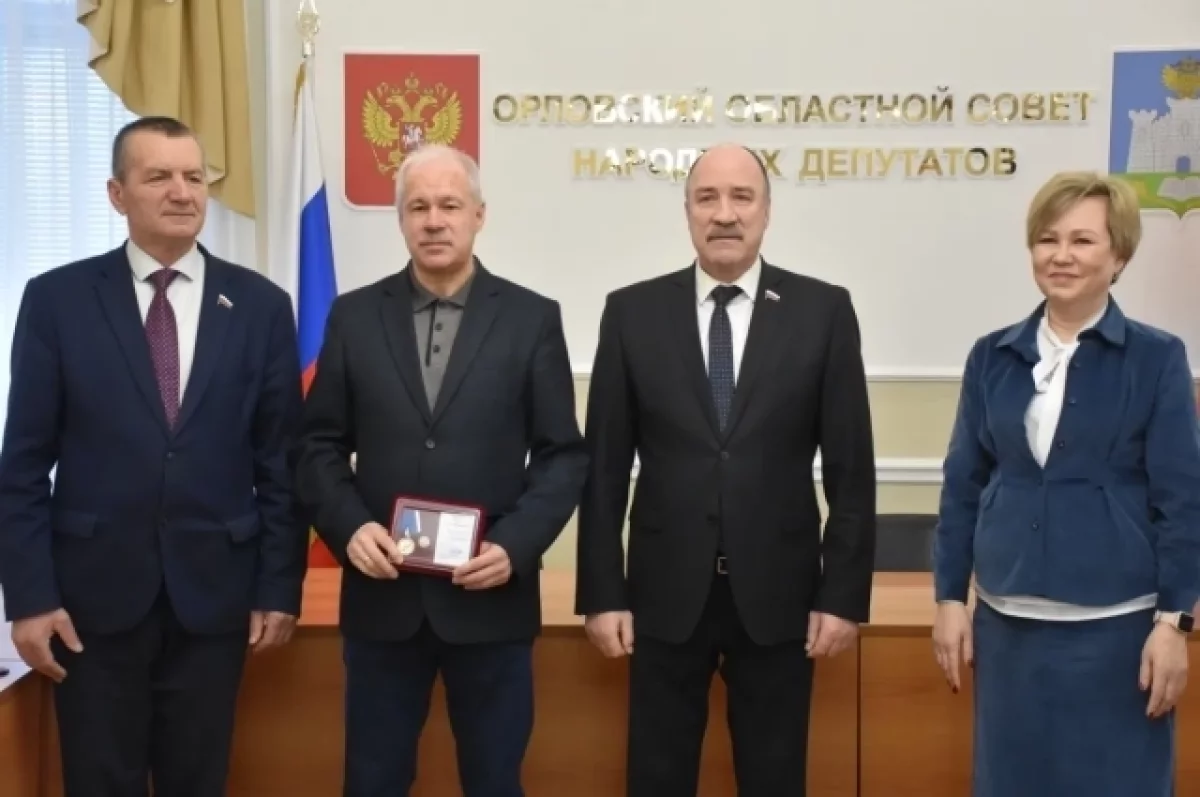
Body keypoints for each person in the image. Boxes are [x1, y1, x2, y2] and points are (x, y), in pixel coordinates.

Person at [0, 116, 308, 796]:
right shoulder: (57, 300)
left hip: (216, 599)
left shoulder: (259, 305)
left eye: (194, 176)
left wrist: (277, 587)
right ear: (117, 194)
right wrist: (29, 597)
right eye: (159, 176)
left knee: (198, 781)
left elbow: (281, 463)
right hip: (90, 604)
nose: (182, 191)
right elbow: (21, 467)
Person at [575, 143, 877, 796]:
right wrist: (601, 592)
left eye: (742, 197)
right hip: (662, 594)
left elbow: (852, 470)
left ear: (767, 210)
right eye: (707, 198)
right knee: (656, 777)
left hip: (780, 595)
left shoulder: (822, 311)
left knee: (774, 778)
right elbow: (603, 468)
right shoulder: (632, 312)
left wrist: (843, 595)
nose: (725, 213)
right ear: (687, 210)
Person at [294, 143, 588, 797]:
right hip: (382, 599)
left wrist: (514, 546)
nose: (434, 220)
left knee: (494, 780)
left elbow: (563, 455)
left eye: (449, 205)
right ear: (401, 219)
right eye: (418, 206)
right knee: (372, 780)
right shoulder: (353, 316)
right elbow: (316, 445)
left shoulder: (531, 318)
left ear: (478, 215)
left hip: (490, 600)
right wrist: (350, 528)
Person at [931, 170, 1200, 796]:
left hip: (1118, 635)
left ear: (1119, 256)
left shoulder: (1157, 358)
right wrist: (948, 599)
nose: (1061, 255)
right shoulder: (991, 356)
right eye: (1047, 239)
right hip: (1007, 631)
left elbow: (1183, 501)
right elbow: (962, 486)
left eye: (1082, 240)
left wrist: (1174, 623)